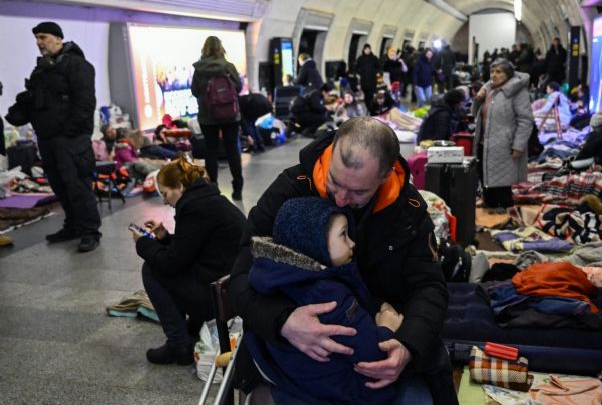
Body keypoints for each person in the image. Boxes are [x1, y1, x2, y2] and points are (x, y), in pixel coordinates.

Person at [229, 117, 457, 404]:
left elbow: (430, 286)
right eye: (334, 182)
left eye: (358, 192)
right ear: (332, 149)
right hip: (295, 356)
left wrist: (408, 344)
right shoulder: (291, 190)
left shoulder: (407, 211)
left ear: (385, 175)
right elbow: (239, 278)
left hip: (379, 350)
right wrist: (283, 321)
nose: (340, 199)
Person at [245, 197, 404, 404]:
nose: (352, 243)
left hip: (298, 384)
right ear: (315, 243)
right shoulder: (328, 296)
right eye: (343, 235)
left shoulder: (283, 278)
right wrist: (387, 329)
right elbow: (374, 359)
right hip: (346, 393)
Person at [129, 155, 245, 365]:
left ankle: (178, 345)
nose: (164, 200)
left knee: (152, 269)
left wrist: (142, 244)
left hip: (222, 296)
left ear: (180, 187)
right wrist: (164, 238)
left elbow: (171, 264)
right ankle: (193, 327)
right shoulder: (208, 200)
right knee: (167, 265)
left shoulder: (195, 208)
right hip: (232, 286)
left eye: (165, 193)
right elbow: (191, 247)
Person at [5, 22, 101, 252]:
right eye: (37, 38)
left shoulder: (77, 66)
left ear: (58, 39)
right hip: (48, 140)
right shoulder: (41, 70)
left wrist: (69, 131)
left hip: (71, 141)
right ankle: (73, 226)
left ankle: (90, 231)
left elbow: (85, 103)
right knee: (60, 185)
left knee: (78, 186)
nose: (39, 42)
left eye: (43, 37)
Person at [471, 58, 532, 210]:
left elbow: (525, 120)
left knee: (502, 178)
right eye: (492, 71)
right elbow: (475, 114)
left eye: (499, 72)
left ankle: (505, 206)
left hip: (504, 142)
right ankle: (489, 202)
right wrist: (478, 99)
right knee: (484, 173)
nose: (494, 75)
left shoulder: (517, 91)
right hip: (484, 141)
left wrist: (518, 145)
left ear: (508, 74)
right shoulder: (489, 89)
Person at [190, 35, 244, 200]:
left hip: (208, 117)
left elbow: (195, 91)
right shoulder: (228, 67)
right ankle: (237, 189)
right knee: (232, 150)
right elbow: (239, 87)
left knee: (211, 152)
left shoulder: (199, 69)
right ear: (221, 48)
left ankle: (213, 187)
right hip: (230, 115)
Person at [354, 44, 381, 114]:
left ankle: (371, 110)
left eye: (369, 49)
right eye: (366, 49)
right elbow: (356, 68)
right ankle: (368, 108)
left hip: (372, 81)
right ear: (364, 50)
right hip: (364, 81)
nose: (367, 50)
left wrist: (376, 72)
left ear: (370, 50)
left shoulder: (374, 58)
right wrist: (360, 72)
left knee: (371, 96)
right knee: (365, 96)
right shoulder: (360, 58)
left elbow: (379, 67)